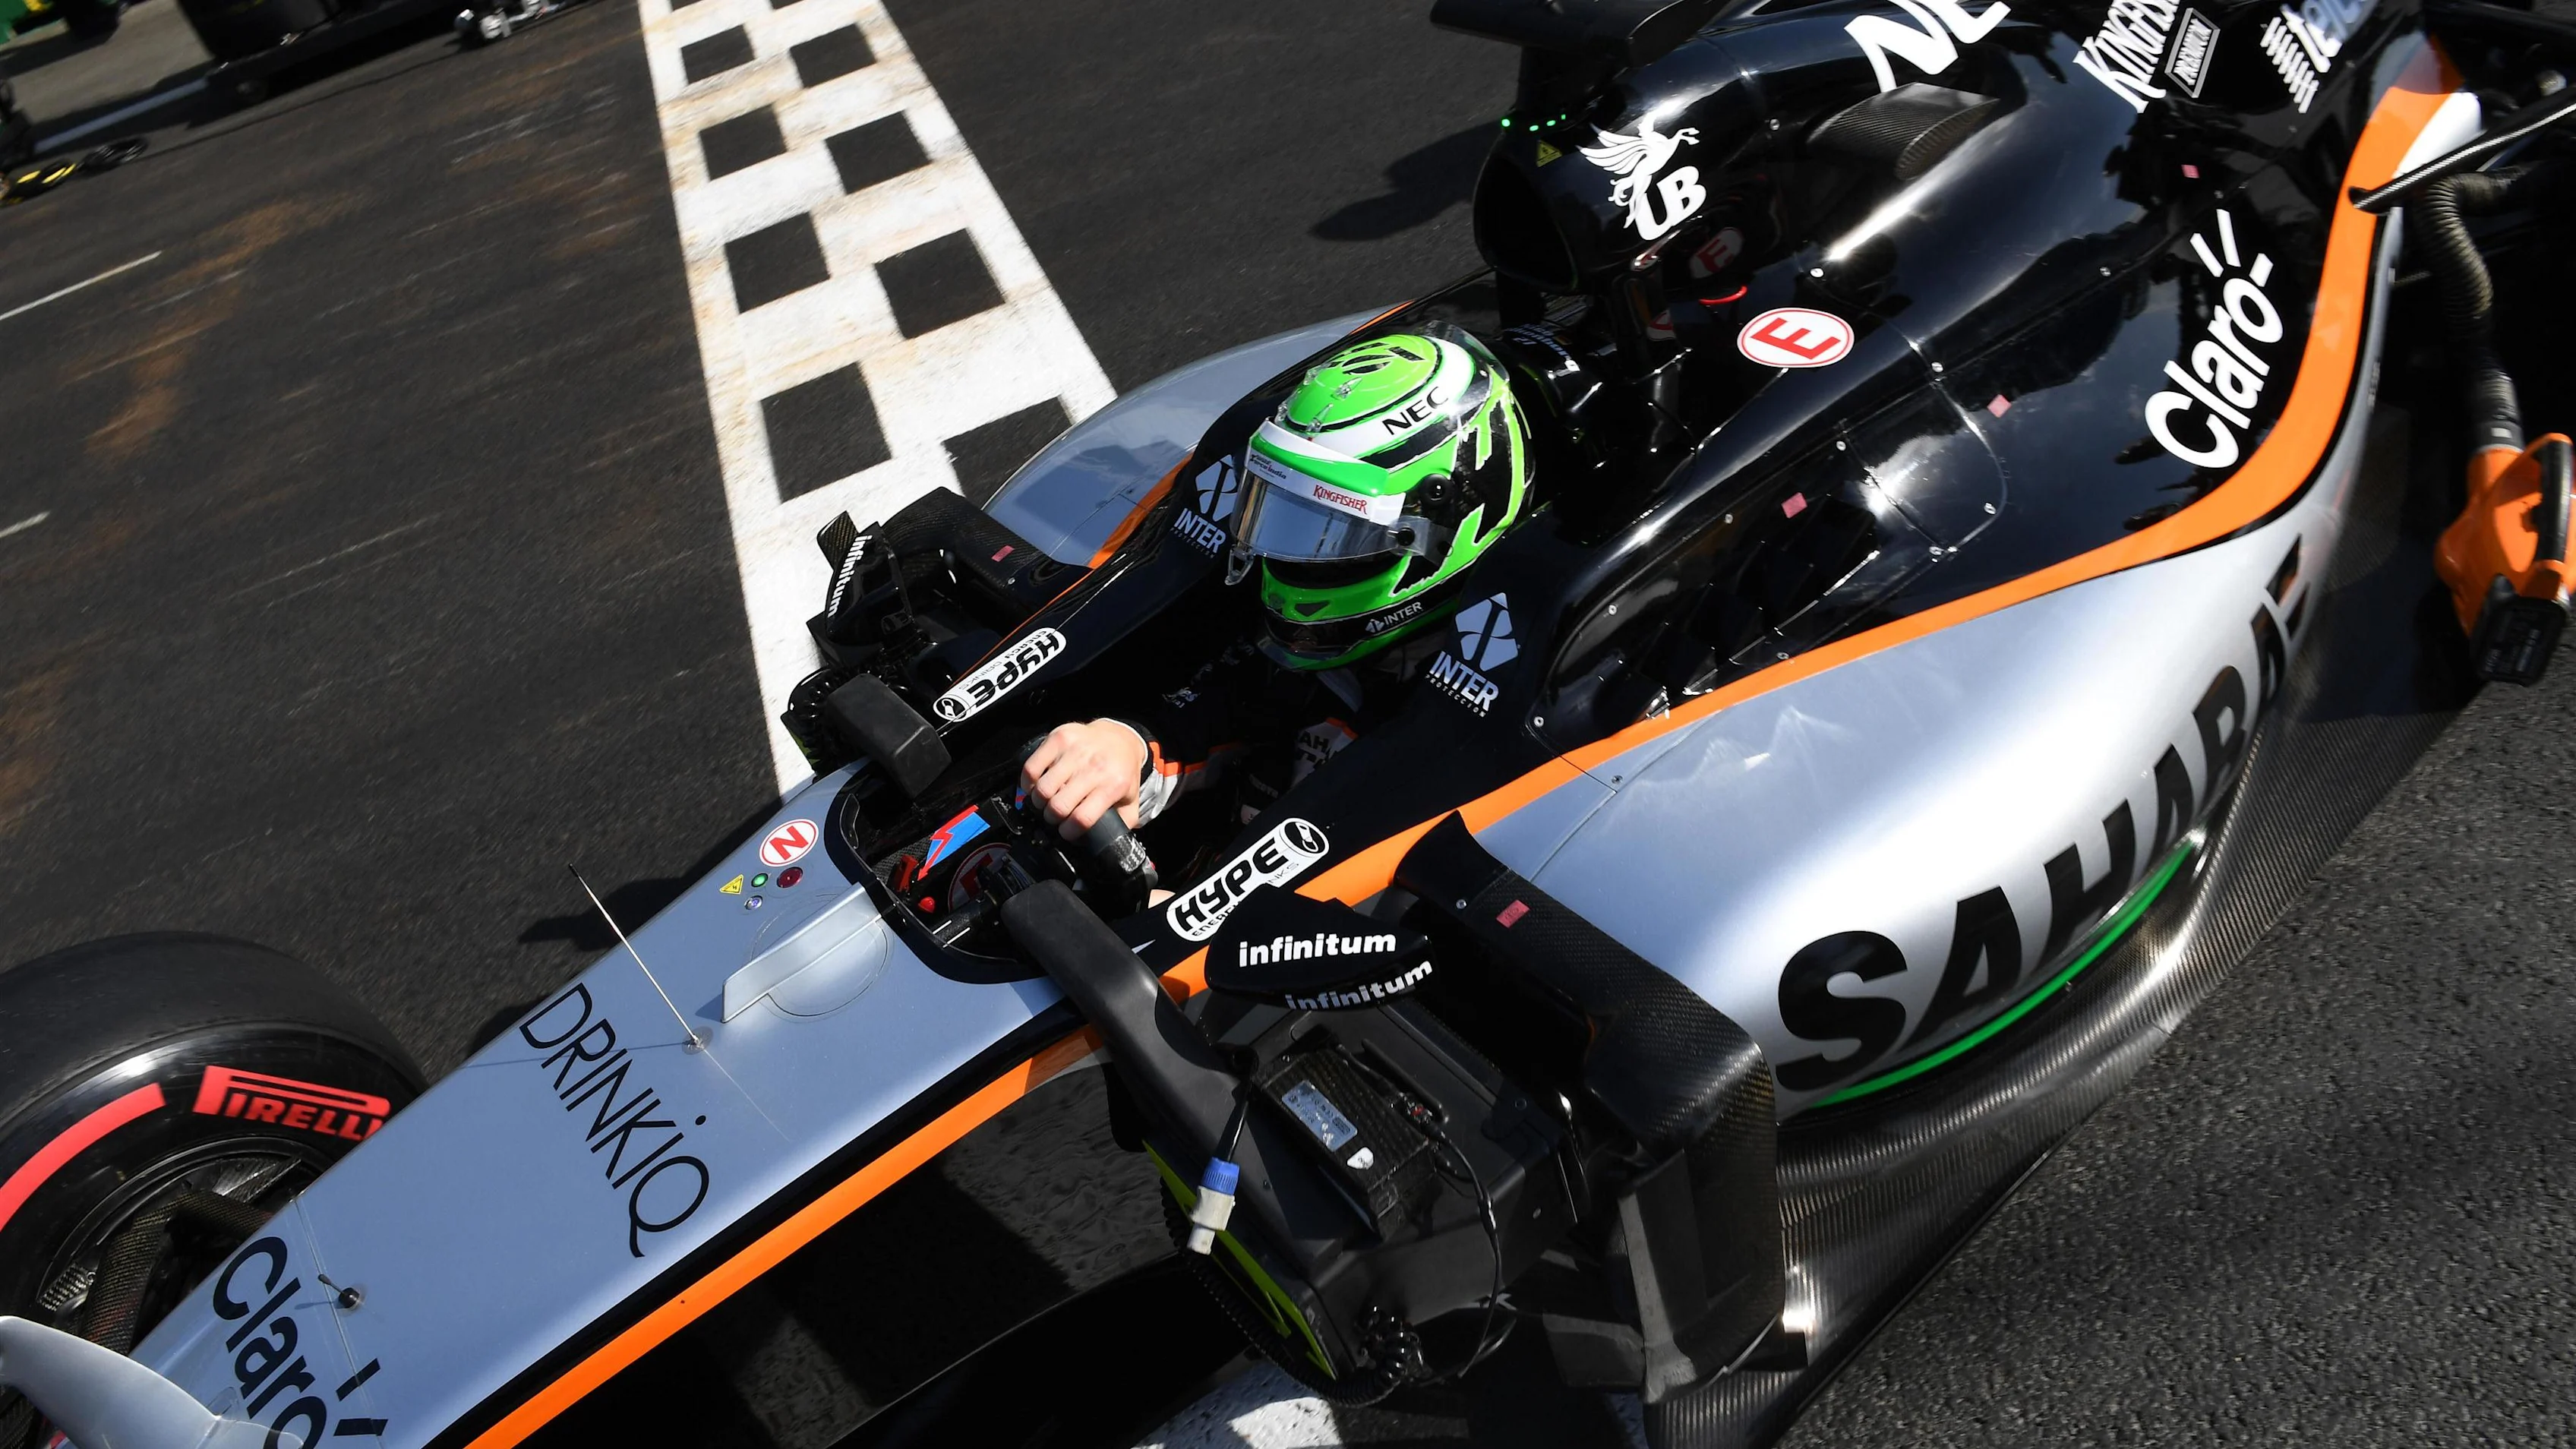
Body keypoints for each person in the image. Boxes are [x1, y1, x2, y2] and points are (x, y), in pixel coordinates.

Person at [1021, 324, 1536, 841]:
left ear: (1439, 530)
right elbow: (1209, 711)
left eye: (1334, 532)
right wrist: (1125, 745)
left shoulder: (1504, 713)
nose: (1288, 554)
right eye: (1280, 512)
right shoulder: (1291, 664)